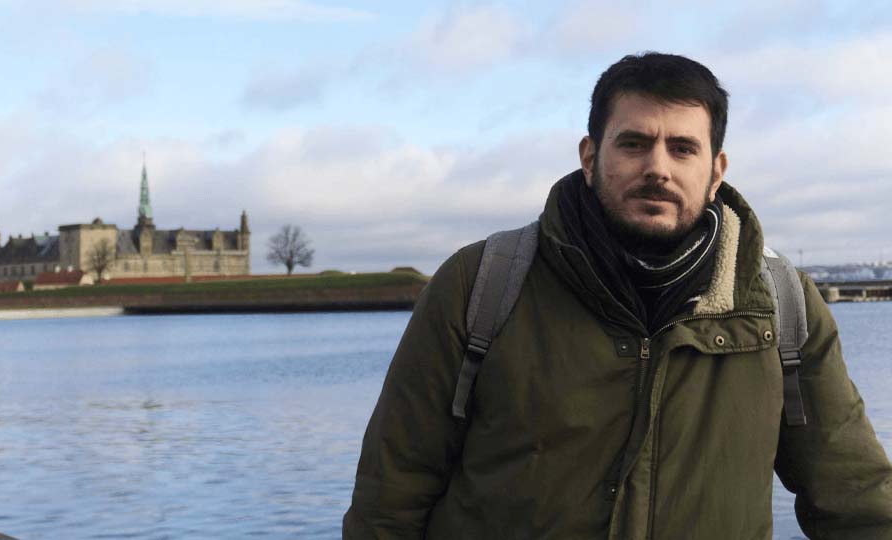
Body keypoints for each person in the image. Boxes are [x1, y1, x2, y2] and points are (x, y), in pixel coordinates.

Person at [342, 52, 892, 539]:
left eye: (683, 148)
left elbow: (855, 498)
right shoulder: (479, 284)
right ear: (589, 155)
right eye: (634, 143)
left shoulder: (781, 303)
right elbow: (389, 499)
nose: (658, 168)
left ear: (716, 171)